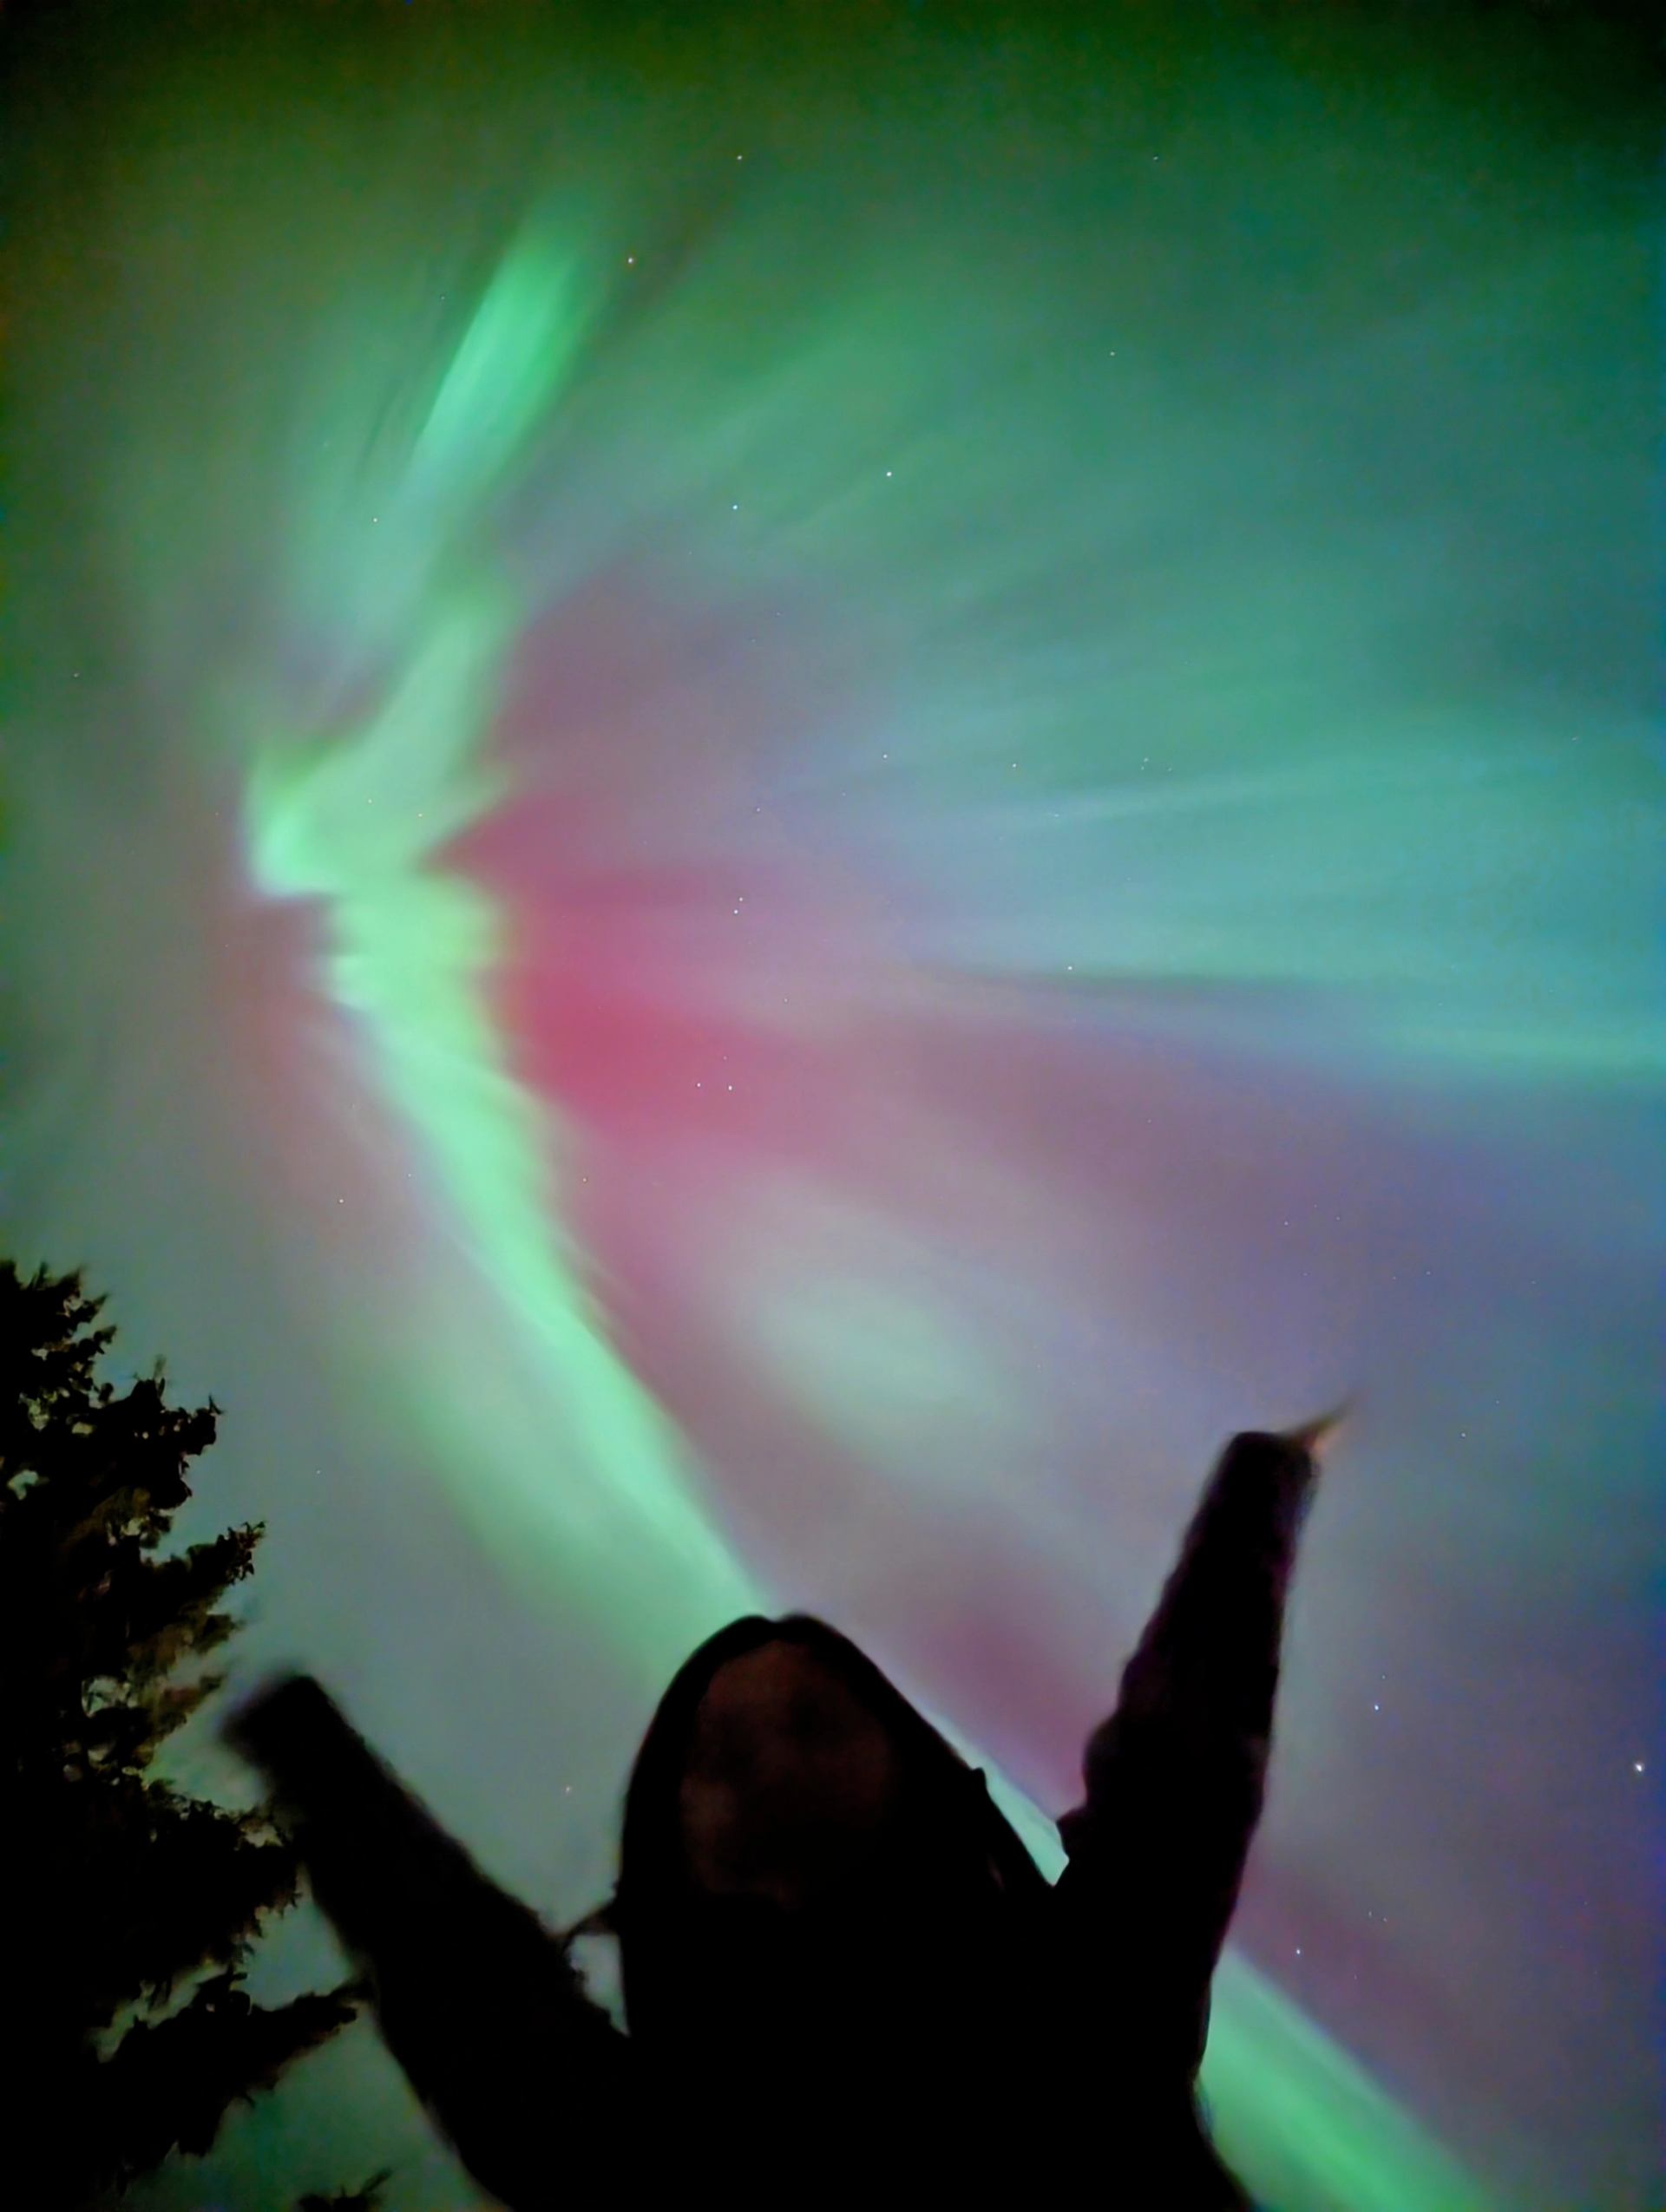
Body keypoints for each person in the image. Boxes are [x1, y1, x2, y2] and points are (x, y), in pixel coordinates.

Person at [227, 1411, 1347, 2208]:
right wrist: (318, 1771)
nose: (766, 1758)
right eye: (720, 1750)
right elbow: (486, 2011)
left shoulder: (1088, 2003)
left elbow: (1179, 1767)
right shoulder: (680, 2155)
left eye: (811, 1723)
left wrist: (1261, 1488)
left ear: (912, 1774)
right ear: (672, 1856)